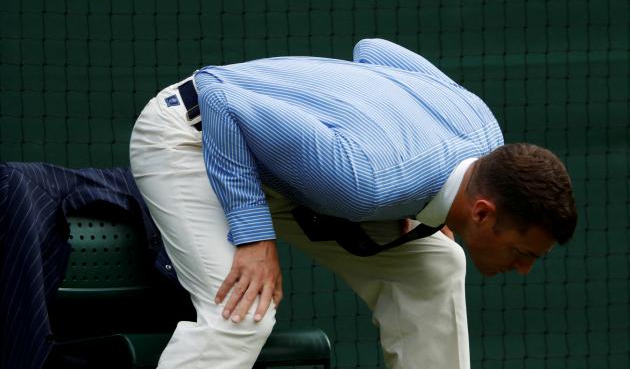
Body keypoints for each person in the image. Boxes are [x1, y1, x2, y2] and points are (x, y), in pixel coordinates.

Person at [129, 38, 577, 369]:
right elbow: (219, 94)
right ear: (482, 211)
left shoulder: (485, 137)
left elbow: (375, 51)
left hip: (291, 169)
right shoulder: (365, 181)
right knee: (242, 317)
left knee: (436, 265)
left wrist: (416, 190)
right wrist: (253, 234)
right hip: (192, 141)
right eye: (522, 254)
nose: (524, 269)